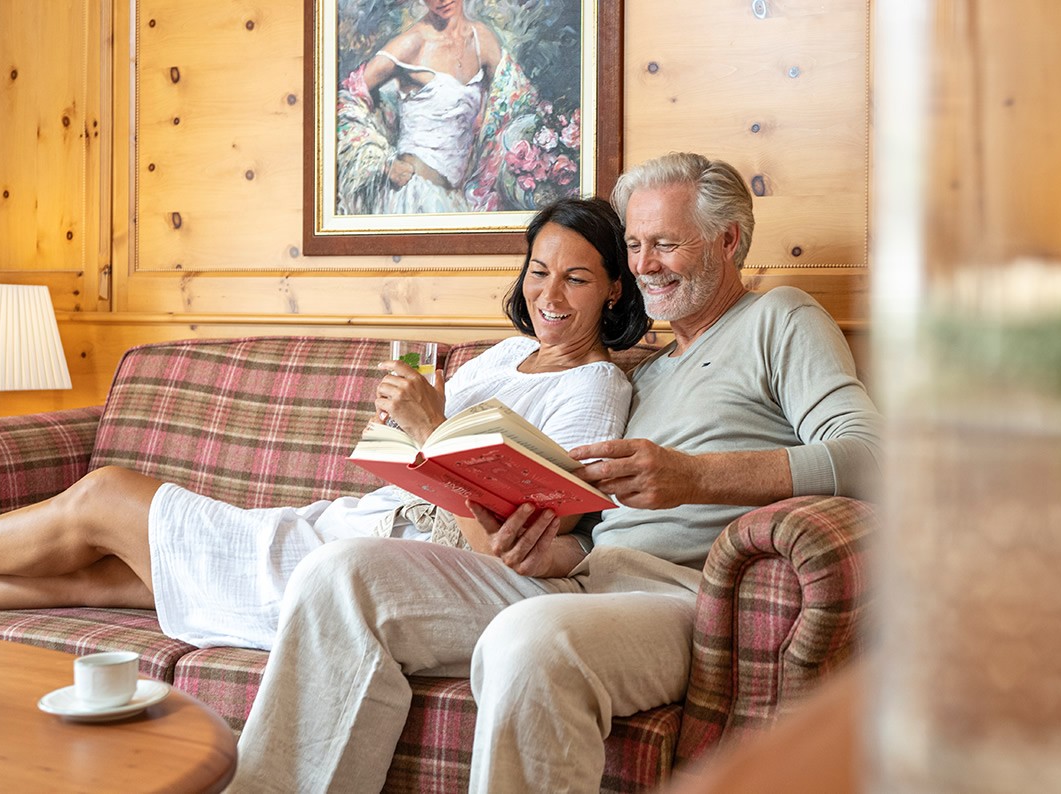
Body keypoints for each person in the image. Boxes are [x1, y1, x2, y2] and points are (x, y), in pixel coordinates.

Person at [228, 152, 883, 792]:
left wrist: (699, 478)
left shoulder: (780, 320)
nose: (646, 265)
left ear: (728, 240)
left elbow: (872, 457)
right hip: (583, 582)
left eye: (666, 243)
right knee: (339, 573)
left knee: (528, 641)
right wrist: (550, 551)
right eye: (634, 244)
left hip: (681, 599)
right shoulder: (644, 373)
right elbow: (599, 535)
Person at [0, 196, 650, 651]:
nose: (549, 296)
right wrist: (405, 421)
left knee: (104, 496)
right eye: (538, 272)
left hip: (392, 565)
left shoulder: (594, 387)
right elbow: (425, 450)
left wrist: (430, 429)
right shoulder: (507, 354)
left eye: (577, 279)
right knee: (101, 581)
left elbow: (520, 550)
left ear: (615, 288)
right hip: (356, 519)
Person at [336, 0, 545, 215]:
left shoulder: (482, 39)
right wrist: (384, 164)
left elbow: (518, 104)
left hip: (456, 199)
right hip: (412, 193)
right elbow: (343, 100)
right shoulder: (411, 43)